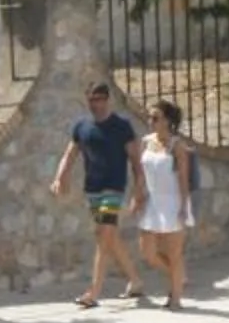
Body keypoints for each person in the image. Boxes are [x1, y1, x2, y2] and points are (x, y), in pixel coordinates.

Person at [50, 79, 145, 308]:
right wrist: (60, 177)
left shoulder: (122, 126)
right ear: (87, 101)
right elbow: (70, 155)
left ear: (107, 100)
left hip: (114, 188)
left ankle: (93, 292)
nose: (96, 105)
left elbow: (136, 162)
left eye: (100, 100)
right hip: (93, 189)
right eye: (92, 100)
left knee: (104, 236)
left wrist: (138, 191)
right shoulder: (82, 127)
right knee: (109, 237)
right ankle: (135, 280)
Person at [131, 98, 194, 309]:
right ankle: (177, 277)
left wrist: (184, 207)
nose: (151, 121)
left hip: (171, 202)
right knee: (147, 252)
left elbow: (184, 180)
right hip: (152, 201)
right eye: (149, 117)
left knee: (173, 253)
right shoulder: (146, 142)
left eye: (156, 118)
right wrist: (137, 197)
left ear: (167, 121)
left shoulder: (178, 147)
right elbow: (141, 174)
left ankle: (175, 297)